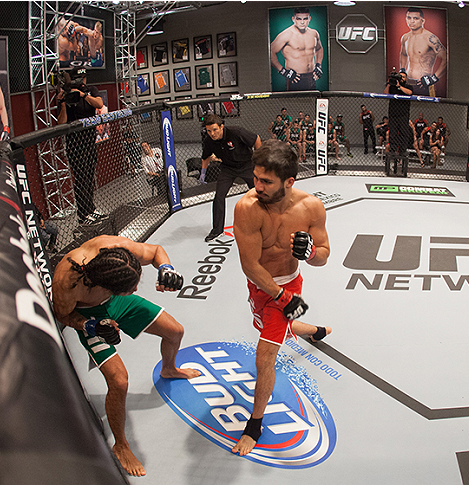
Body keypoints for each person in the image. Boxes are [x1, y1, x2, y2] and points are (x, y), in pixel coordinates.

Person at [51, 235, 200, 476]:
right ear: (108, 286)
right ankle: (120, 445)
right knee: (119, 381)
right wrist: (91, 326)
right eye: (131, 287)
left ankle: (169, 368)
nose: (136, 289)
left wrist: (166, 268)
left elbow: (155, 251)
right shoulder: (67, 283)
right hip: (89, 315)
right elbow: (63, 316)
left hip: (117, 302)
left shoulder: (116, 251)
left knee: (175, 331)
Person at [231, 139, 331, 457]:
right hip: (262, 287)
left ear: (289, 181)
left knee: (264, 356)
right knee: (270, 326)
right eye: (255, 178)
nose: (256, 186)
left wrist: (311, 253)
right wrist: (280, 297)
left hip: (288, 284)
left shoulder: (311, 207)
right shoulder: (247, 207)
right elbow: (250, 265)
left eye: (266, 181)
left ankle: (254, 425)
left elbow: (324, 255)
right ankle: (315, 331)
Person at [57, 67, 108, 225]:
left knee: (90, 176)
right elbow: (61, 123)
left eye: (83, 78)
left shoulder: (90, 90)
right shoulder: (66, 94)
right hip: (74, 142)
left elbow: (99, 104)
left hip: (89, 140)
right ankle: (83, 214)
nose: (83, 81)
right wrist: (64, 102)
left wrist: (83, 95)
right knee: (81, 178)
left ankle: (91, 209)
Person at [199, 114, 262, 242]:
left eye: (215, 130)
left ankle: (265, 223)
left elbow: (256, 139)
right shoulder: (208, 140)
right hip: (228, 168)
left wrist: (260, 161)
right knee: (219, 197)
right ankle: (217, 230)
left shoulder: (236, 132)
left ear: (222, 126)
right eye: (209, 130)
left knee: (259, 193)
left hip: (247, 165)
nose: (212, 133)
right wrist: (203, 172)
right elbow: (206, 156)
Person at [270, 7, 324, 91]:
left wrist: (318, 65)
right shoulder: (286, 34)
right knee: (293, 103)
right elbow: (270, 52)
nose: (302, 22)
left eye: (305, 18)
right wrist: (283, 71)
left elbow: (319, 49)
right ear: (293, 19)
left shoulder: (314, 33)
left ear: (309, 18)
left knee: (312, 102)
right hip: (295, 78)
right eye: (299, 19)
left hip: (311, 77)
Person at [400, 7, 446, 97]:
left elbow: (446, 58)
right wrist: (402, 70)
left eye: (415, 18)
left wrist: (434, 78)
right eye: (409, 18)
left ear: (422, 21)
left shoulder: (430, 38)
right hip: (408, 83)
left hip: (424, 84)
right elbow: (403, 54)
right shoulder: (405, 37)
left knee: (425, 110)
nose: (411, 21)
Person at [384, 71, 413, 170]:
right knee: (393, 133)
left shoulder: (408, 86)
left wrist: (399, 86)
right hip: (393, 114)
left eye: (403, 77)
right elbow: (385, 94)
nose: (401, 79)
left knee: (404, 133)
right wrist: (389, 83)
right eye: (400, 77)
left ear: (406, 78)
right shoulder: (392, 87)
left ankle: (402, 150)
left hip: (403, 115)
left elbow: (410, 93)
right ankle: (392, 150)